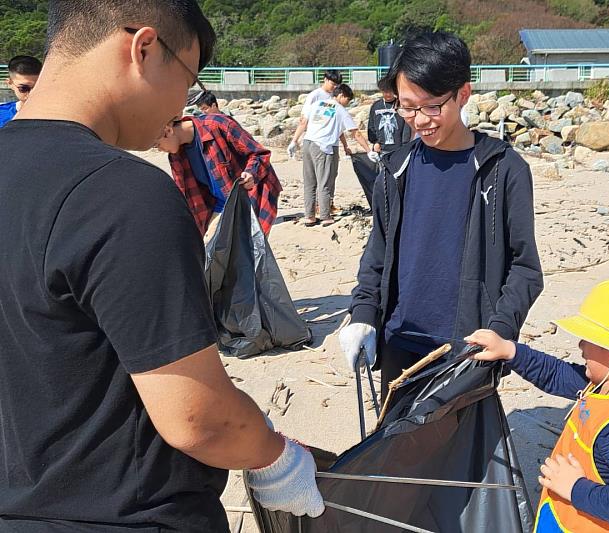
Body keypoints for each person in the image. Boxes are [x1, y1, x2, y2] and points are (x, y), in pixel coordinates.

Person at [0, 2, 322, 531]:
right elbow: (198, 418)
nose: (182, 105)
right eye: (188, 80)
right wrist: (278, 458)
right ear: (144, 48)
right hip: (127, 515)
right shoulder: (120, 194)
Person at [338, 31, 543, 402]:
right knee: (396, 455)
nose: (419, 120)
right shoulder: (395, 168)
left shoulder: (503, 169)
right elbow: (378, 253)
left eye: (432, 107)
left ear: (463, 94)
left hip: (468, 347)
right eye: (407, 107)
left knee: (459, 456)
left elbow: (525, 268)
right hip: (400, 340)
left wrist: (499, 331)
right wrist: (364, 314)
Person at [466, 279, 609, 532]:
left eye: (589, 338)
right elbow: (555, 374)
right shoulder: (608, 384)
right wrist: (509, 350)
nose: (581, 345)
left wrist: (575, 488)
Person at [155, 112, 282, 243]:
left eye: (157, 144)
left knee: (251, 252)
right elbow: (185, 194)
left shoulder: (217, 124)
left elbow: (259, 154)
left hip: (251, 199)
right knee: (210, 249)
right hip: (219, 205)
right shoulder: (176, 155)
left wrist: (251, 173)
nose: (159, 149)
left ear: (168, 131)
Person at [290, 83, 373, 227]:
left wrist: (294, 141)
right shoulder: (340, 110)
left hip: (308, 144)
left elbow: (304, 122)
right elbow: (355, 133)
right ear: (341, 96)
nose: (348, 103)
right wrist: (368, 150)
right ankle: (325, 216)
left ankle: (309, 216)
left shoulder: (318, 104)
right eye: (348, 100)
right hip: (324, 147)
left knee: (310, 182)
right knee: (325, 182)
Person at [367, 76, 412, 156]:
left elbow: (407, 126)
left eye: (390, 91)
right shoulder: (376, 106)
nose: (387, 94)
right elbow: (371, 126)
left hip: (399, 148)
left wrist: (405, 145)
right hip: (381, 149)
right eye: (385, 91)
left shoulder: (401, 104)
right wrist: (375, 142)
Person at [0, 55, 42, 127]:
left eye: (37, 87)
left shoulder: (58, 114)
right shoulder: (2, 114)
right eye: (24, 88)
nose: (31, 93)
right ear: (10, 83)